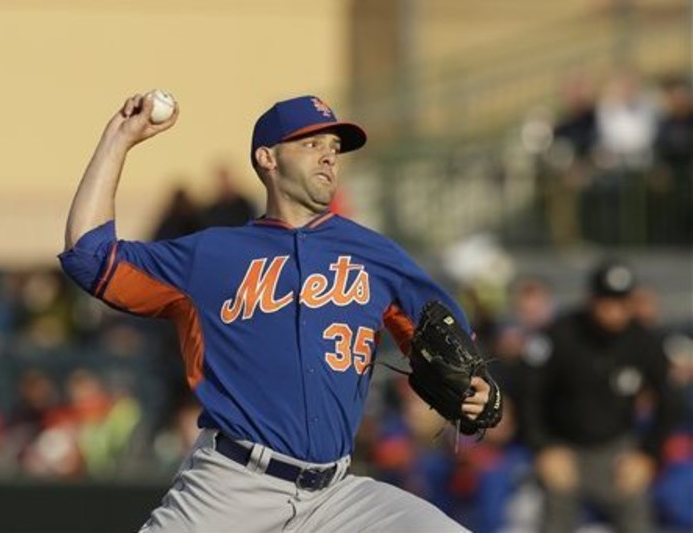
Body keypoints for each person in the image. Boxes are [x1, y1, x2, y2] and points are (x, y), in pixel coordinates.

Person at [59, 92, 497, 532]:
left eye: (333, 148)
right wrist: (118, 139)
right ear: (267, 158)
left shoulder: (374, 254)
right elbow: (89, 257)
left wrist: (477, 388)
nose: (328, 157)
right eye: (311, 145)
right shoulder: (213, 255)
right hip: (231, 488)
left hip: (336, 496)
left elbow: (442, 330)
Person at [520, 260, 675, 533]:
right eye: (606, 302)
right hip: (564, 449)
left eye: (622, 302)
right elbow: (529, 394)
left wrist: (648, 456)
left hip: (617, 451)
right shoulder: (561, 335)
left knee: (638, 522)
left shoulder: (643, 342)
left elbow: (670, 402)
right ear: (591, 300)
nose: (614, 311)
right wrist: (543, 448)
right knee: (554, 524)